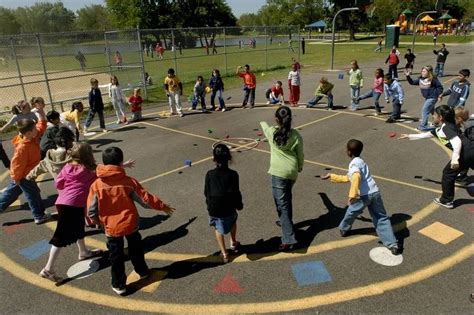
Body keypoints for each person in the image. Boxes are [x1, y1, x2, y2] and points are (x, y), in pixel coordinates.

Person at [87, 146, 174, 295]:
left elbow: (91, 208)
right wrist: (162, 206)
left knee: (116, 257)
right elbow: (145, 199)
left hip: (111, 227)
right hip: (130, 223)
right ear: (121, 163)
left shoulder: (96, 185)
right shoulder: (128, 182)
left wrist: (95, 220)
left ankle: (119, 284)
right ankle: (142, 271)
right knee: (136, 249)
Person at [321, 139, 401, 255]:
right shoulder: (361, 161)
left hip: (363, 195)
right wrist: (332, 176)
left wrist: (352, 195)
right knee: (381, 218)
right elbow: (348, 178)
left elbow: (356, 177)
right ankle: (392, 244)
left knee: (351, 212)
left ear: (348, 152)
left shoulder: (353, 164)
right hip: (375, 192)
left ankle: (344, 229)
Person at [39, 143, 102, 283]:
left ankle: (83, 252)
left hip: (63, 202)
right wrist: (120, 166)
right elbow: (104, 174)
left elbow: (58, 184)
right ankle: (48, 269)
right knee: (60, 237)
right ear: (88, 156)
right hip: (73, 205)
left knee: (79, 228)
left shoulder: (67, 167)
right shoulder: (88, 170)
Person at [400, 105, 473, 209]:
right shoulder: (446, 126)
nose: (433, 116)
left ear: (441, 117)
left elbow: (457, 142)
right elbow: (428, 134)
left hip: (465, 153)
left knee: (448, 174)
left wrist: (455, 159)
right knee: (449, 173)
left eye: (434, 114)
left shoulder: (446, 128)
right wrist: (409, 136)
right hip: (470, 150)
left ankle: (446, 201)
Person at [260, 106, 304, 251]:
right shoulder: (296, 135)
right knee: (285, 200)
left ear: (277, 120)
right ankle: (285, 222)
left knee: (282, 204)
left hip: (279, 173)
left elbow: (264, 125)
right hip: (292, 172)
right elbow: (300, 154)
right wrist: (300, 167)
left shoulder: (272, 132)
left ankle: (289, 238)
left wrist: (262, 120)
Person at [0, 110, 51, 224]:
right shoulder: (22, 147)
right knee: (33, 194)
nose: (37, 130)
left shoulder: (32, 136)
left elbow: (41, 127)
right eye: (34, 129)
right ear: (28, 133)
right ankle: (39, 215)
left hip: (26, 173)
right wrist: (16, 177)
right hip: (24, 175)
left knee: (11, 193)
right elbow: (17, 164)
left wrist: (41, 114)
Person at [205, 144, 243, 263]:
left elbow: (206, 192)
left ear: (214, 159)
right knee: (233, 221)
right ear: (229, 158)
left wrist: (209, 206)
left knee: (218, 228)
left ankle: (224, 253)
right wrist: (239, 205)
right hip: (229, 207)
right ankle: (233, 242)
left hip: (215, 208)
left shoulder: (210, 174)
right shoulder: (233, 174)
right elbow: (236, 192)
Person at [406, 66, 443, 131]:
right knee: (432, 111)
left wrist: (439, 95)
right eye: (422, 71)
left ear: (429, 72)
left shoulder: (433, 79)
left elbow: (439, 87)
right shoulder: (420, 79)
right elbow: (412, 82)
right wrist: (408, 76)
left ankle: (423, 126)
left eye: (424, 71)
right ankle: (437, 123)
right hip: (428, 97)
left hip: (433, 97)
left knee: (424, 110)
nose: (422, 72)